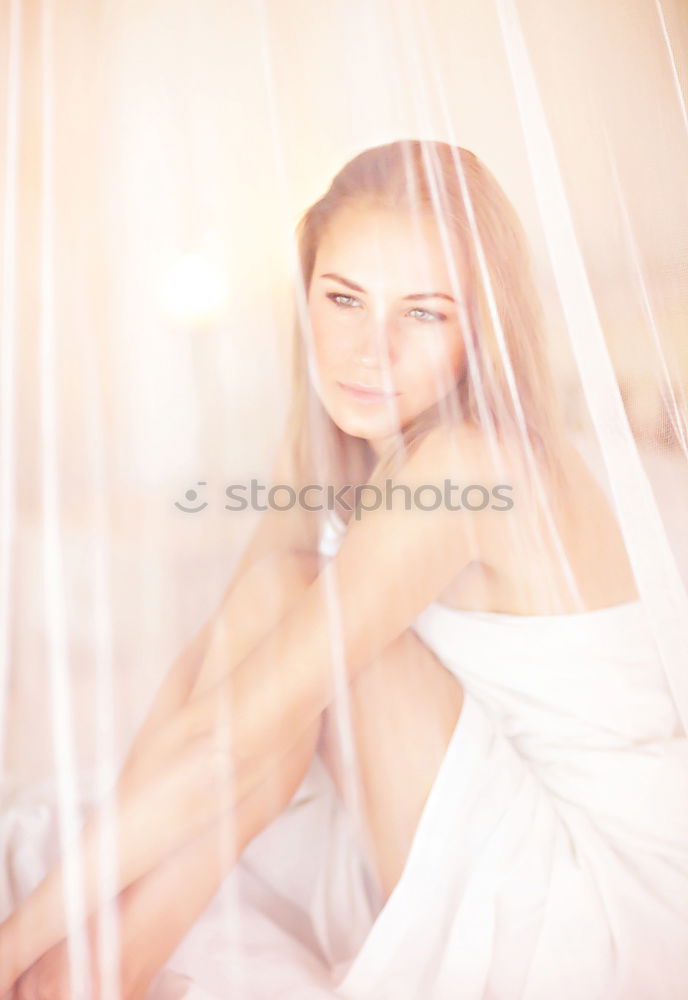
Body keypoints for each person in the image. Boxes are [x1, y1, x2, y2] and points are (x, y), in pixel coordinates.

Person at [2, 139, 687, 999]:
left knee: (286, 635)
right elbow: (212, 678)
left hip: (598, 903)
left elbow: (242, 724)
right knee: (273, 610)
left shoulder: (468, 467)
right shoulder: (347, 454)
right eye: (344, 299)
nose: (372, 352)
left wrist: (16, 932)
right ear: (307, 296)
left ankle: (75, 971)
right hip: (467, 816)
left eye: (424, 313)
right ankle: (94, 969)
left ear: (484, 330)